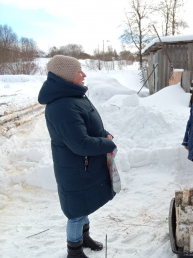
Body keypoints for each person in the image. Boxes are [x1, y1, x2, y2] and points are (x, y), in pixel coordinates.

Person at [38, 55, 117, 258]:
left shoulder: (74, 96)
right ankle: (74, 251)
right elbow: (80, 143)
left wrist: (104, 133)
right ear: (66, 76)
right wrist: (108, 144)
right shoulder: (62, 106)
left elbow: (89, 124)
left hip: (84, 166)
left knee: (84, 205)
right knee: (76, 213)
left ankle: (85, 238)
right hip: (75, 169)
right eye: (78, 71)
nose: (84, 74)